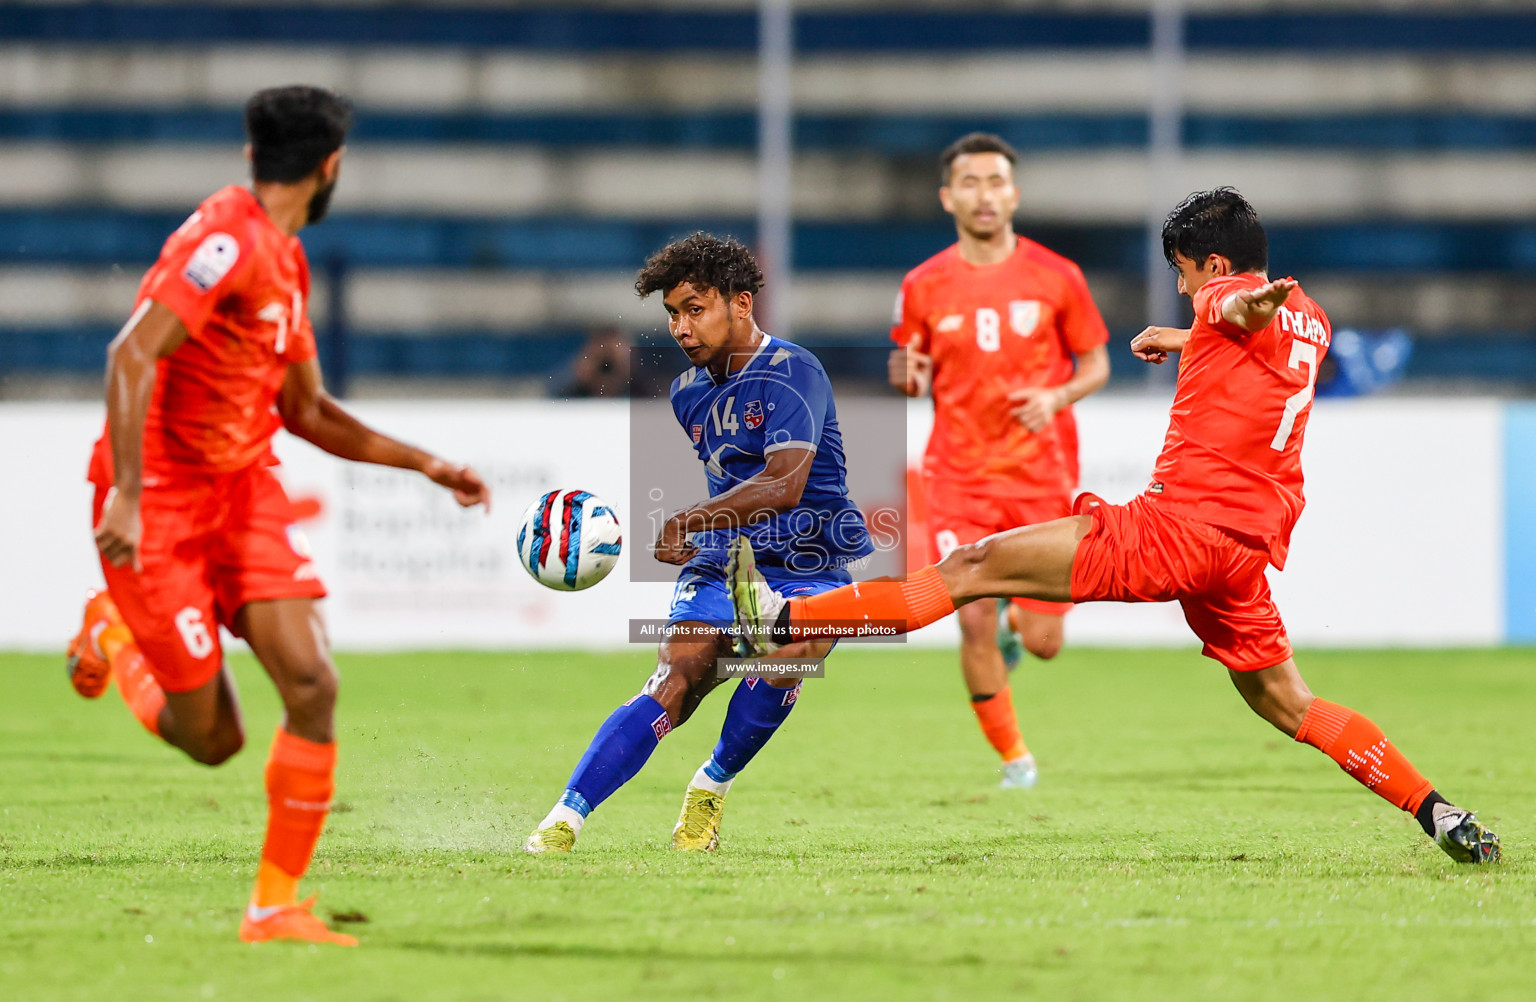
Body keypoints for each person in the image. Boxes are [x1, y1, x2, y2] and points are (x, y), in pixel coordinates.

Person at [730, 188, 1499, 864]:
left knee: (970, 568)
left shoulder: (1226, 298)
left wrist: (1225, 310)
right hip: (1241, 553)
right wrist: (1193, 339)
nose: (1182, 285)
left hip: (1174, 531)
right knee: (1290, 703)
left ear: (1214, 266)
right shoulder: (1313, 322)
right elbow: (1251, 340)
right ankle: (1439, 812)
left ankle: (782, 614)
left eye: (1183, 271)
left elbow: (1234, 309)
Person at [65, 85, 493, 946]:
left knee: (312, 683)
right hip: (162, 511)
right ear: (331, 167)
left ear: (258, 154)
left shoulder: (287, 263)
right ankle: (113, 634)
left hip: (243, 493)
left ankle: (272, 908)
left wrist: (424, 463)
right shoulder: (224, 242)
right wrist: (132, 497)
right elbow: (130, 354)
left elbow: (307, 412)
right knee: (213, 739)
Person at [524, 232, 872, 854]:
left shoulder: (794, 371)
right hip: (728, 560)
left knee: (794, 647)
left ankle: (709, 789)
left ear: (741, 303)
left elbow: (786, 482)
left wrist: (691, 520)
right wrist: (702, 536)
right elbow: (731, 479)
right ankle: (563, 820)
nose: (681, 327)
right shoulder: (688, 393)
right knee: (675, 680)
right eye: (672, 314)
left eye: (694, 308)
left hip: (810, 556)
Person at [890, 132, 1110, 789]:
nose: (984, 195)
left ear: (1013, 194)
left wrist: (1058, 394)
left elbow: (1096, 362)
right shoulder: (923, 283)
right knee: (973, 615)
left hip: (1041, 473)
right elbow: (911, 370)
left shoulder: (1057, 276)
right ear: (947, 197)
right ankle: (1016, 760)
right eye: (970, 183)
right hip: (959, 476)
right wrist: (906, 373)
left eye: (995, 182)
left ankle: (1023, 628)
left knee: (1043, 642)